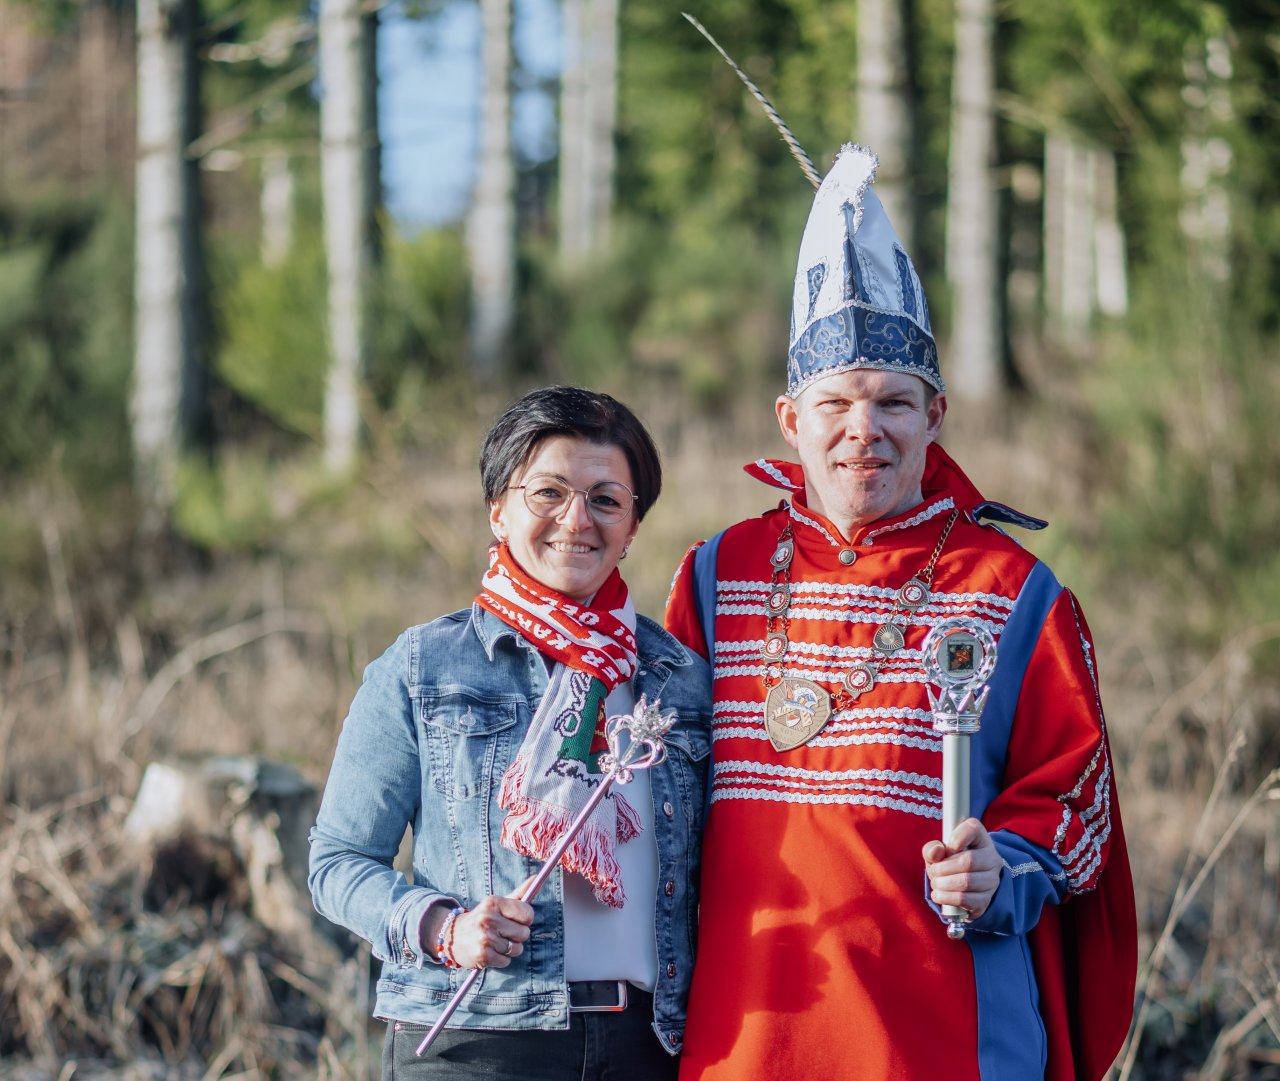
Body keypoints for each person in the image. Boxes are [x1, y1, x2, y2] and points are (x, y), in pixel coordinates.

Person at [664, 145, 1137, 1081]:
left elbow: (1072, 797)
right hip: (744, 1033)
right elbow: (662, 793)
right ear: (789, 418)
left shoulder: (1014, 590)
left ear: (937, 415)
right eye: (834, 402)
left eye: (892, 402)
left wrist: (1003, 868)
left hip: (937, 1037)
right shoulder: (717, 572)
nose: (862, 429)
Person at [309, 386, 712, 1080]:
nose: (576, 520)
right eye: (548, 492)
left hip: (646, 1047)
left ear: (633, 524)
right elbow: (337, 862)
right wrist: (443, 927)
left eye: (606, 499)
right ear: (499, 509)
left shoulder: (678, 680)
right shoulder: (421, 667)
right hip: (477, 1043)